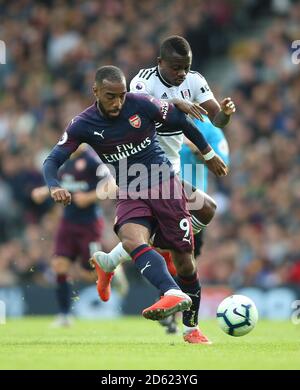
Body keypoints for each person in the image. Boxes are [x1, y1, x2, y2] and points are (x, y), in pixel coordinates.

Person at [43, 65, 228, 343]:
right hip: (129, 189)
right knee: (131, 239)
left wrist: (208, 152)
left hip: (164, 185)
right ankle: (170, 292)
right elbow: (53, 159)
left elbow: (181, 121)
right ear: (95, 92)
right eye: (110, 96)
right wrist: (54, 185)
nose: (117, 102)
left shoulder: (140, 103)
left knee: (185, 263)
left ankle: (192, 329)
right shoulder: (83, 123)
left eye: (121, 95)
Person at [92, 36, 235, 335]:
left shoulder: (195, 81)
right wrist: (173, 104)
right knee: (198, 221)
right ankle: (187, 327)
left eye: (186, 67)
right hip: (143, 170)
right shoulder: (142, 81)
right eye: (176, 67)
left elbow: (215, 119)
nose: (182, 73)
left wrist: (225, 113)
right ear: (160, 63)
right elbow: (134, 110)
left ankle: (112, 260)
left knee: (202, 215)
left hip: (169, 171)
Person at [32, 144, 127, 326]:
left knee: (90, 274)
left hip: (89, 225)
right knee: (59, 264)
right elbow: (64, 184)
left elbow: (112, 184)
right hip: (67, 222)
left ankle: (114, 269)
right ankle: (65, 314)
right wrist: (44, 192)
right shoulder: (66, 161)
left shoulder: (92, 161)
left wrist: (89, 197)